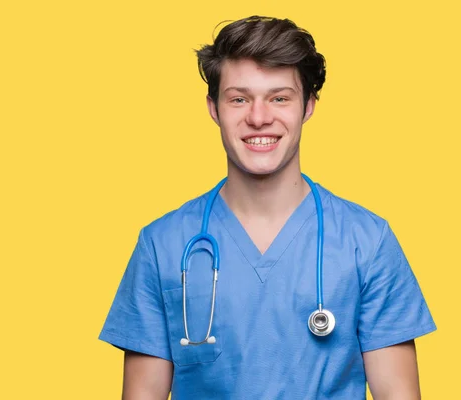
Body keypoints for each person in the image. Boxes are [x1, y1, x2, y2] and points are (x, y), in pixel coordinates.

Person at [99, 15, 436, 399]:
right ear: (213, 107)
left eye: (279, 98)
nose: (259, 118)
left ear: (309, 105)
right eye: (239, 99)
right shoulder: (161, 246)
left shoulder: (368, 243)